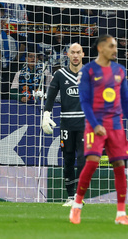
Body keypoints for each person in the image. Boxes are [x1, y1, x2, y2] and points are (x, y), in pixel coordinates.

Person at [69, 35, 128, 225]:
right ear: (101, 48)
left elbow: (125, 100)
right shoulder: (88, 71)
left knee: (120, 167)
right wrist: (95, 124)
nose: (115, 49)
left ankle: (121, 214)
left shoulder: (120, 70)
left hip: (116, 125)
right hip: (96, 124)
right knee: (92, 162)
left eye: (115, 46)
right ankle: (76, 206)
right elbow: (84, 101)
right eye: (111, 46)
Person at [41, 42, 87, 206]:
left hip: (84, 123)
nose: (75, 55)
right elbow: (51, 97)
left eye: (78, 52)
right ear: (67, 54)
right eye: (72, 52)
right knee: (68, 159)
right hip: (66, 123)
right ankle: (70, 196)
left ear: (83, 54)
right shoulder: (60, 74)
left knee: (83, 160)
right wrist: (46, 115)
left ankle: (79, 197)